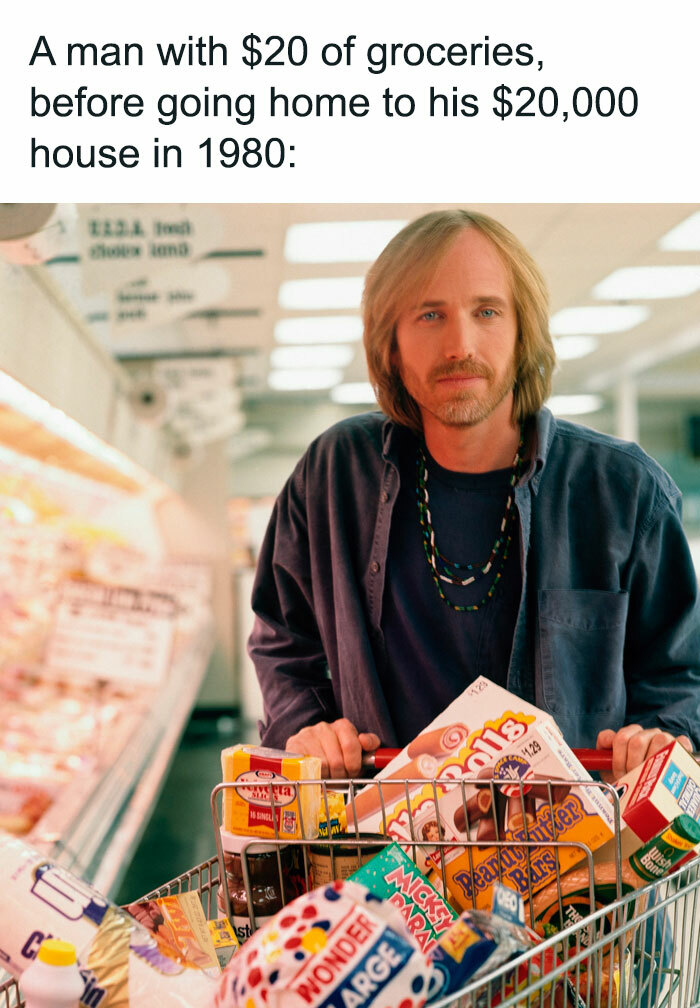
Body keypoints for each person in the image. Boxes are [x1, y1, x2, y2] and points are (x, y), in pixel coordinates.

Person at [249, 210, 700, 779]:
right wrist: (308, 728)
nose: (460, 344)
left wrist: (661, 736)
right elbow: (282, 639)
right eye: (429, 315)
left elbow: (682, 676)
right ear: (390, 345)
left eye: (486, 312)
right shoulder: (333, 477)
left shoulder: (622, 491)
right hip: (379, 850)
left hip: (572, 852)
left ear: (522, 332)